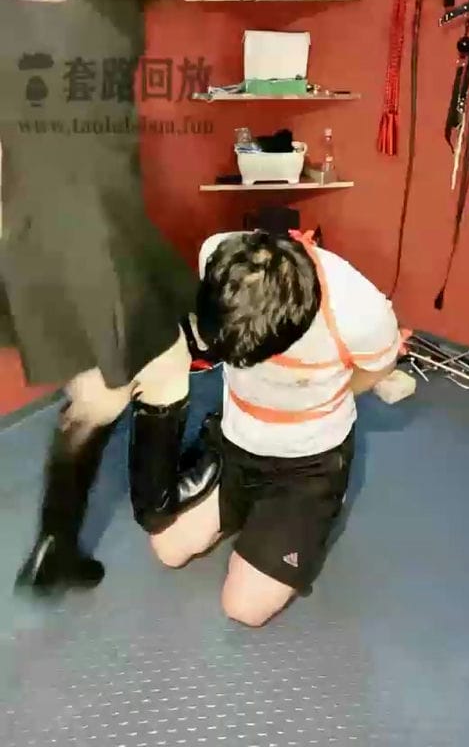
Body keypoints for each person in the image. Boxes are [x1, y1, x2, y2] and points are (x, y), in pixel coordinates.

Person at [0, 0, 218, 594]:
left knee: (154, 367)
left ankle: (86, 535)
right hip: (75, 225)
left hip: (93, 209)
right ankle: (75, 540)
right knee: (112, 389)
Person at [149, 230, 401, 627]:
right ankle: (241, 510)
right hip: (234, 438)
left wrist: (316, 401)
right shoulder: (217, 254)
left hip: (307, 465)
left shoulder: (360, 313)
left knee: (243, 609)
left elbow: (377, 370)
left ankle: (294, 521)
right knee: (167, 549)